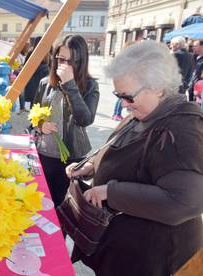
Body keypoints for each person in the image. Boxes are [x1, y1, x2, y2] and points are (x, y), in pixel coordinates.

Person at [66, 41, 203, 275]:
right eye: (118, 96)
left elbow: (185, 201)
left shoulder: (182, 128)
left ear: (158, 88)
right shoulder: (146, 112)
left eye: (128, 96)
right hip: (124, 251)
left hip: (155, 259)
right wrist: (90, 166)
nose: (124, 104)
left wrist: (110, 191)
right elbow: (124, 153)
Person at [33, 35, 99, 207]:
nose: (65, 66)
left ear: (81, 61)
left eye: (72, 61)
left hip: (71, 158)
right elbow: (34, 115)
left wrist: (70, 84)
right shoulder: (45, 83)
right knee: (42, 203)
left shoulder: (90, 85)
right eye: (61, 59)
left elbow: (85, 119)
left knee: (63, 207)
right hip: (45, 154)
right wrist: (41, 125)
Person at [24, 37, 50, 108]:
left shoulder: (31, 52)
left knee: (34, 102)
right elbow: (49, 66)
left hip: (32, 79)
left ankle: (33, 117)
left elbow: (25, 66)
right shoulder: (46, 53)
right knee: (41, 100)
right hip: (42, 78)